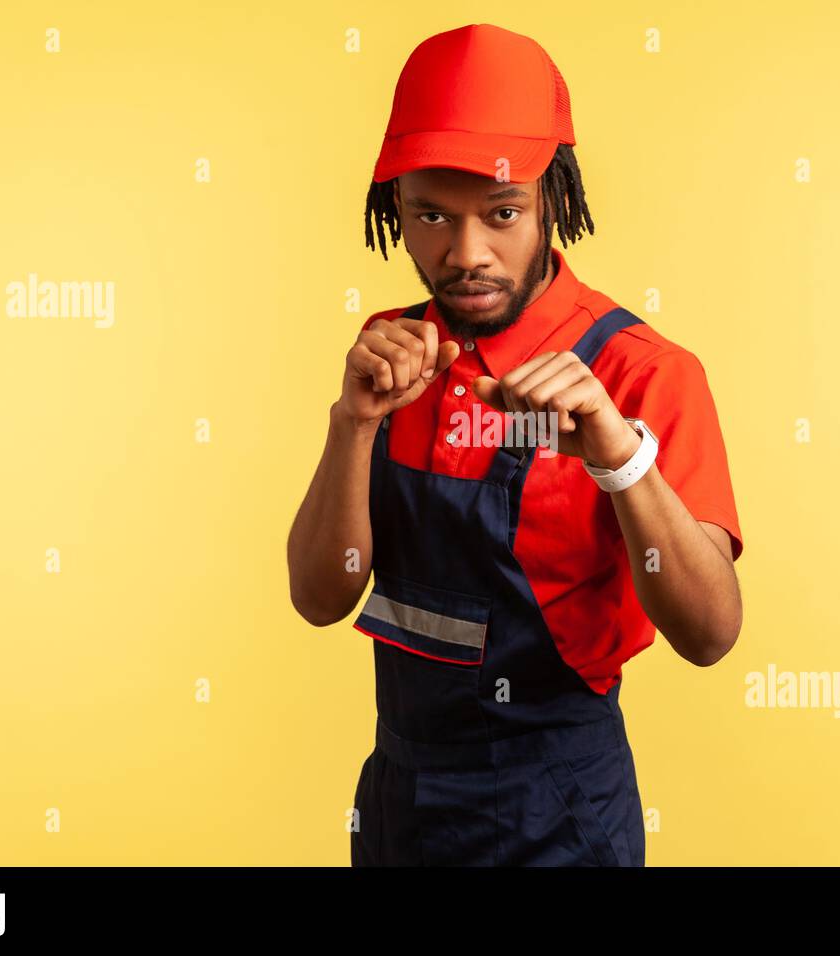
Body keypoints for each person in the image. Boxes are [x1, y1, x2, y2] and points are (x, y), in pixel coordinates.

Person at [288, 23, 744, 866]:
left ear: (552, 199)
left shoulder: (642, 374)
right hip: (402, 804)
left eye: (503, 214)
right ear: (395, 207)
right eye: (432, 216)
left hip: (559, 813)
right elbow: (322, 598)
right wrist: (351, 425)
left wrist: (618, 454)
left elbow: (711, 632)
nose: (467, 256)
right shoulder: (390, 354)